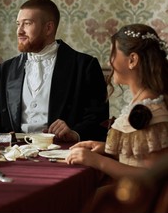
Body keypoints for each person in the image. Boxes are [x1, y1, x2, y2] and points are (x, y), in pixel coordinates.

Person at [0, 0, 109, 142]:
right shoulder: (5, 70)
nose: (19, 31)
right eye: (18, 24)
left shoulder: (85, 66)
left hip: (63, 153)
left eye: (27, 24)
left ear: (49, 28)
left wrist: (74, 132)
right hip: (14, 154)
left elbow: (98, 119)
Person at [66, 23, 168, 179]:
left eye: (113, 53)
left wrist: (98, 161)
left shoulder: (151, 111)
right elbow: (136, 158)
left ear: (132, 60)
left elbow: (154, 177)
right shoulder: (142, 102)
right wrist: (105, 148)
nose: (109, 62)